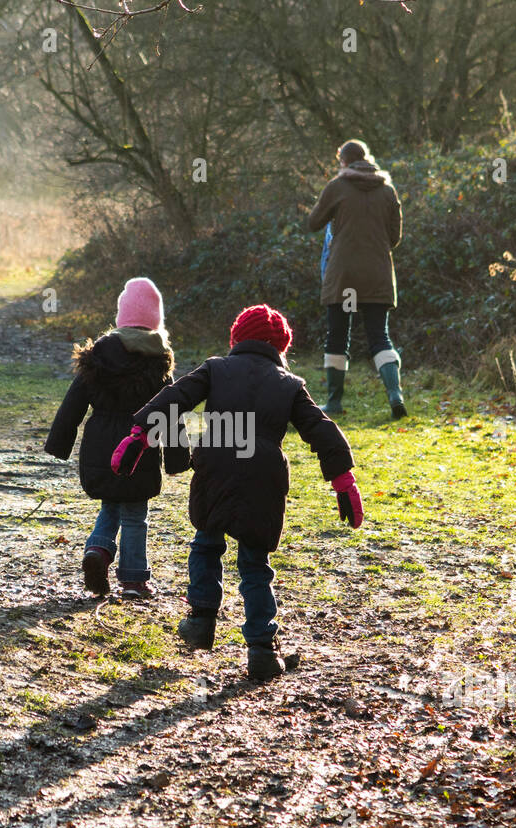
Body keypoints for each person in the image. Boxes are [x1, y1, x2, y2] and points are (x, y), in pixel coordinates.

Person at [111, 304, 364, 682]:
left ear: (236, 340)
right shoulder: (289, 385)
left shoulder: (215, 368)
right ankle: (262, 649)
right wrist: (343, 479)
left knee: (206, 544)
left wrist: (140, 435)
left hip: (216, 469)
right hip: (263, 479)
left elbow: (174, 398)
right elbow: (321, 429)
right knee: (255, 565)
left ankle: (200, 620)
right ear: (281, 347)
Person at [45, 277, 189, 599]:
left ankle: (97, 550)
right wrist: (179, 459)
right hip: (140, 449)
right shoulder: (159, 363)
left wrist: (59, 443)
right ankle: (134, 580)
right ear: (156, 321)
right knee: (135, 514)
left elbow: (73, 404)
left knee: (111, 504)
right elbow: (172, 413)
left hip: (99, 448)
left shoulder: (96, 358)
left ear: (121, 317)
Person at [305, 138, 406, 418]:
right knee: (379, 336)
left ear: (344, 162)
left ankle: (334, 402)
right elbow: (394, 238)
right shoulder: (387, 190)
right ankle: (395, 394)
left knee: (338, 335)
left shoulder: (337, 187)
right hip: (377, 275)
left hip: (344, 276)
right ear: (367, 158)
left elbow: (313, 222)